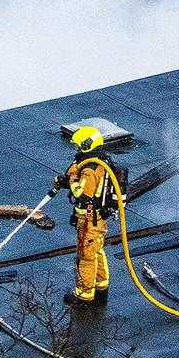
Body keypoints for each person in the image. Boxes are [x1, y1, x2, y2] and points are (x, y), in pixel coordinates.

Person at [53, 126, 117, 305]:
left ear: (87, 145)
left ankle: (84, 294)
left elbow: (82, 193)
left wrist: (72, 177)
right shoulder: (100, 162)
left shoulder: (89, 169)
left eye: (80, 146)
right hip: (95, 218)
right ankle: (100, 285)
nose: (77, 149)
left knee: (86, 255)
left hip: (90, 220)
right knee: (96, 251)